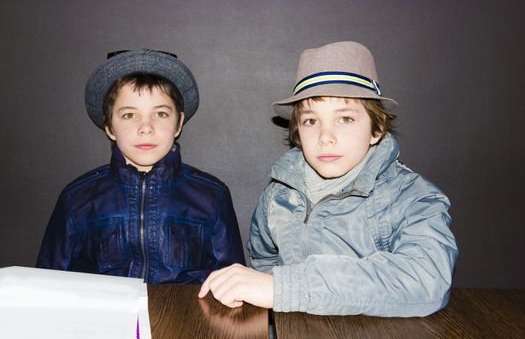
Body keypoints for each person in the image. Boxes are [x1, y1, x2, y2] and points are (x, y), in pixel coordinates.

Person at [199, 41, 458, 316]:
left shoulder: (413, 197)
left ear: (377, 128)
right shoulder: (279, 194)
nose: (325, 136)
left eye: (345, 119)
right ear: (297, 130)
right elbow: (264, 256)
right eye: (311, 121)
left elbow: (427, 279)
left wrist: (286, 289)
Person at [37, 49, 245, 284]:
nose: (146, 127)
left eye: (161, 113)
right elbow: (47, 282)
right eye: (128, 115)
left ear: (179, 123)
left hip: (183, 319)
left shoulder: (211, 195)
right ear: (109, 127)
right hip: (101, 319)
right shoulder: (77, 199)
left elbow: (234, 284)